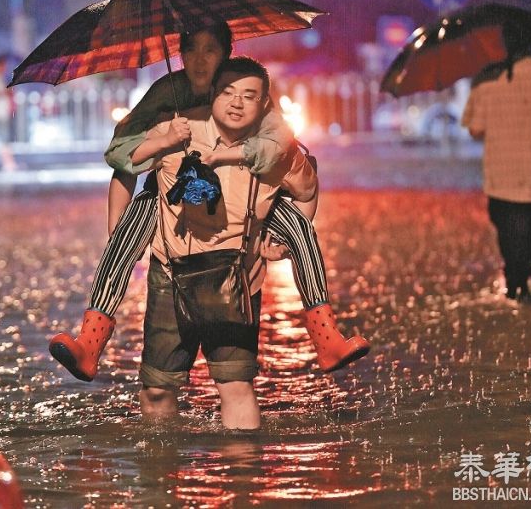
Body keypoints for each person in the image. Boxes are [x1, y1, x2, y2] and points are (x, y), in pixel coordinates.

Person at [48, 23, 369, 381]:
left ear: (227, 55)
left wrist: (269, 228)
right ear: (180, 55)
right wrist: (119, 231)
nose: (200, 60)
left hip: (245, 205)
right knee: (128, 229)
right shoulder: (167, 92)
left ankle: (326, 338)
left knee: (298, 226)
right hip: (174, 196)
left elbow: (284, 156)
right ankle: (90, 343)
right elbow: (123, 158)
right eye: (191, 50)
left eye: (211, 50)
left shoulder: (247, 95)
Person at [140, 56, 317, 429]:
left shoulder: (276, 151)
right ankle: (160, 474)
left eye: (249, 96)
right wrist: (121, 232)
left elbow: (308, 190)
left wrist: (283, 239)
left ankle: (242, 477)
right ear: (212, 93)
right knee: (157, 388)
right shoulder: (178, 129)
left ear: (264, 104)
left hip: (236, 278)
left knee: (235, 383)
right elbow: (124, 163)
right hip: (170, 275)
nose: (237, 102)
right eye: (228, 92)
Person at [461, 39, 531, 302]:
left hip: (503, 176)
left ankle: (515, 284)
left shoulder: (486, 76)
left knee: (510, 236)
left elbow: (475, 128)